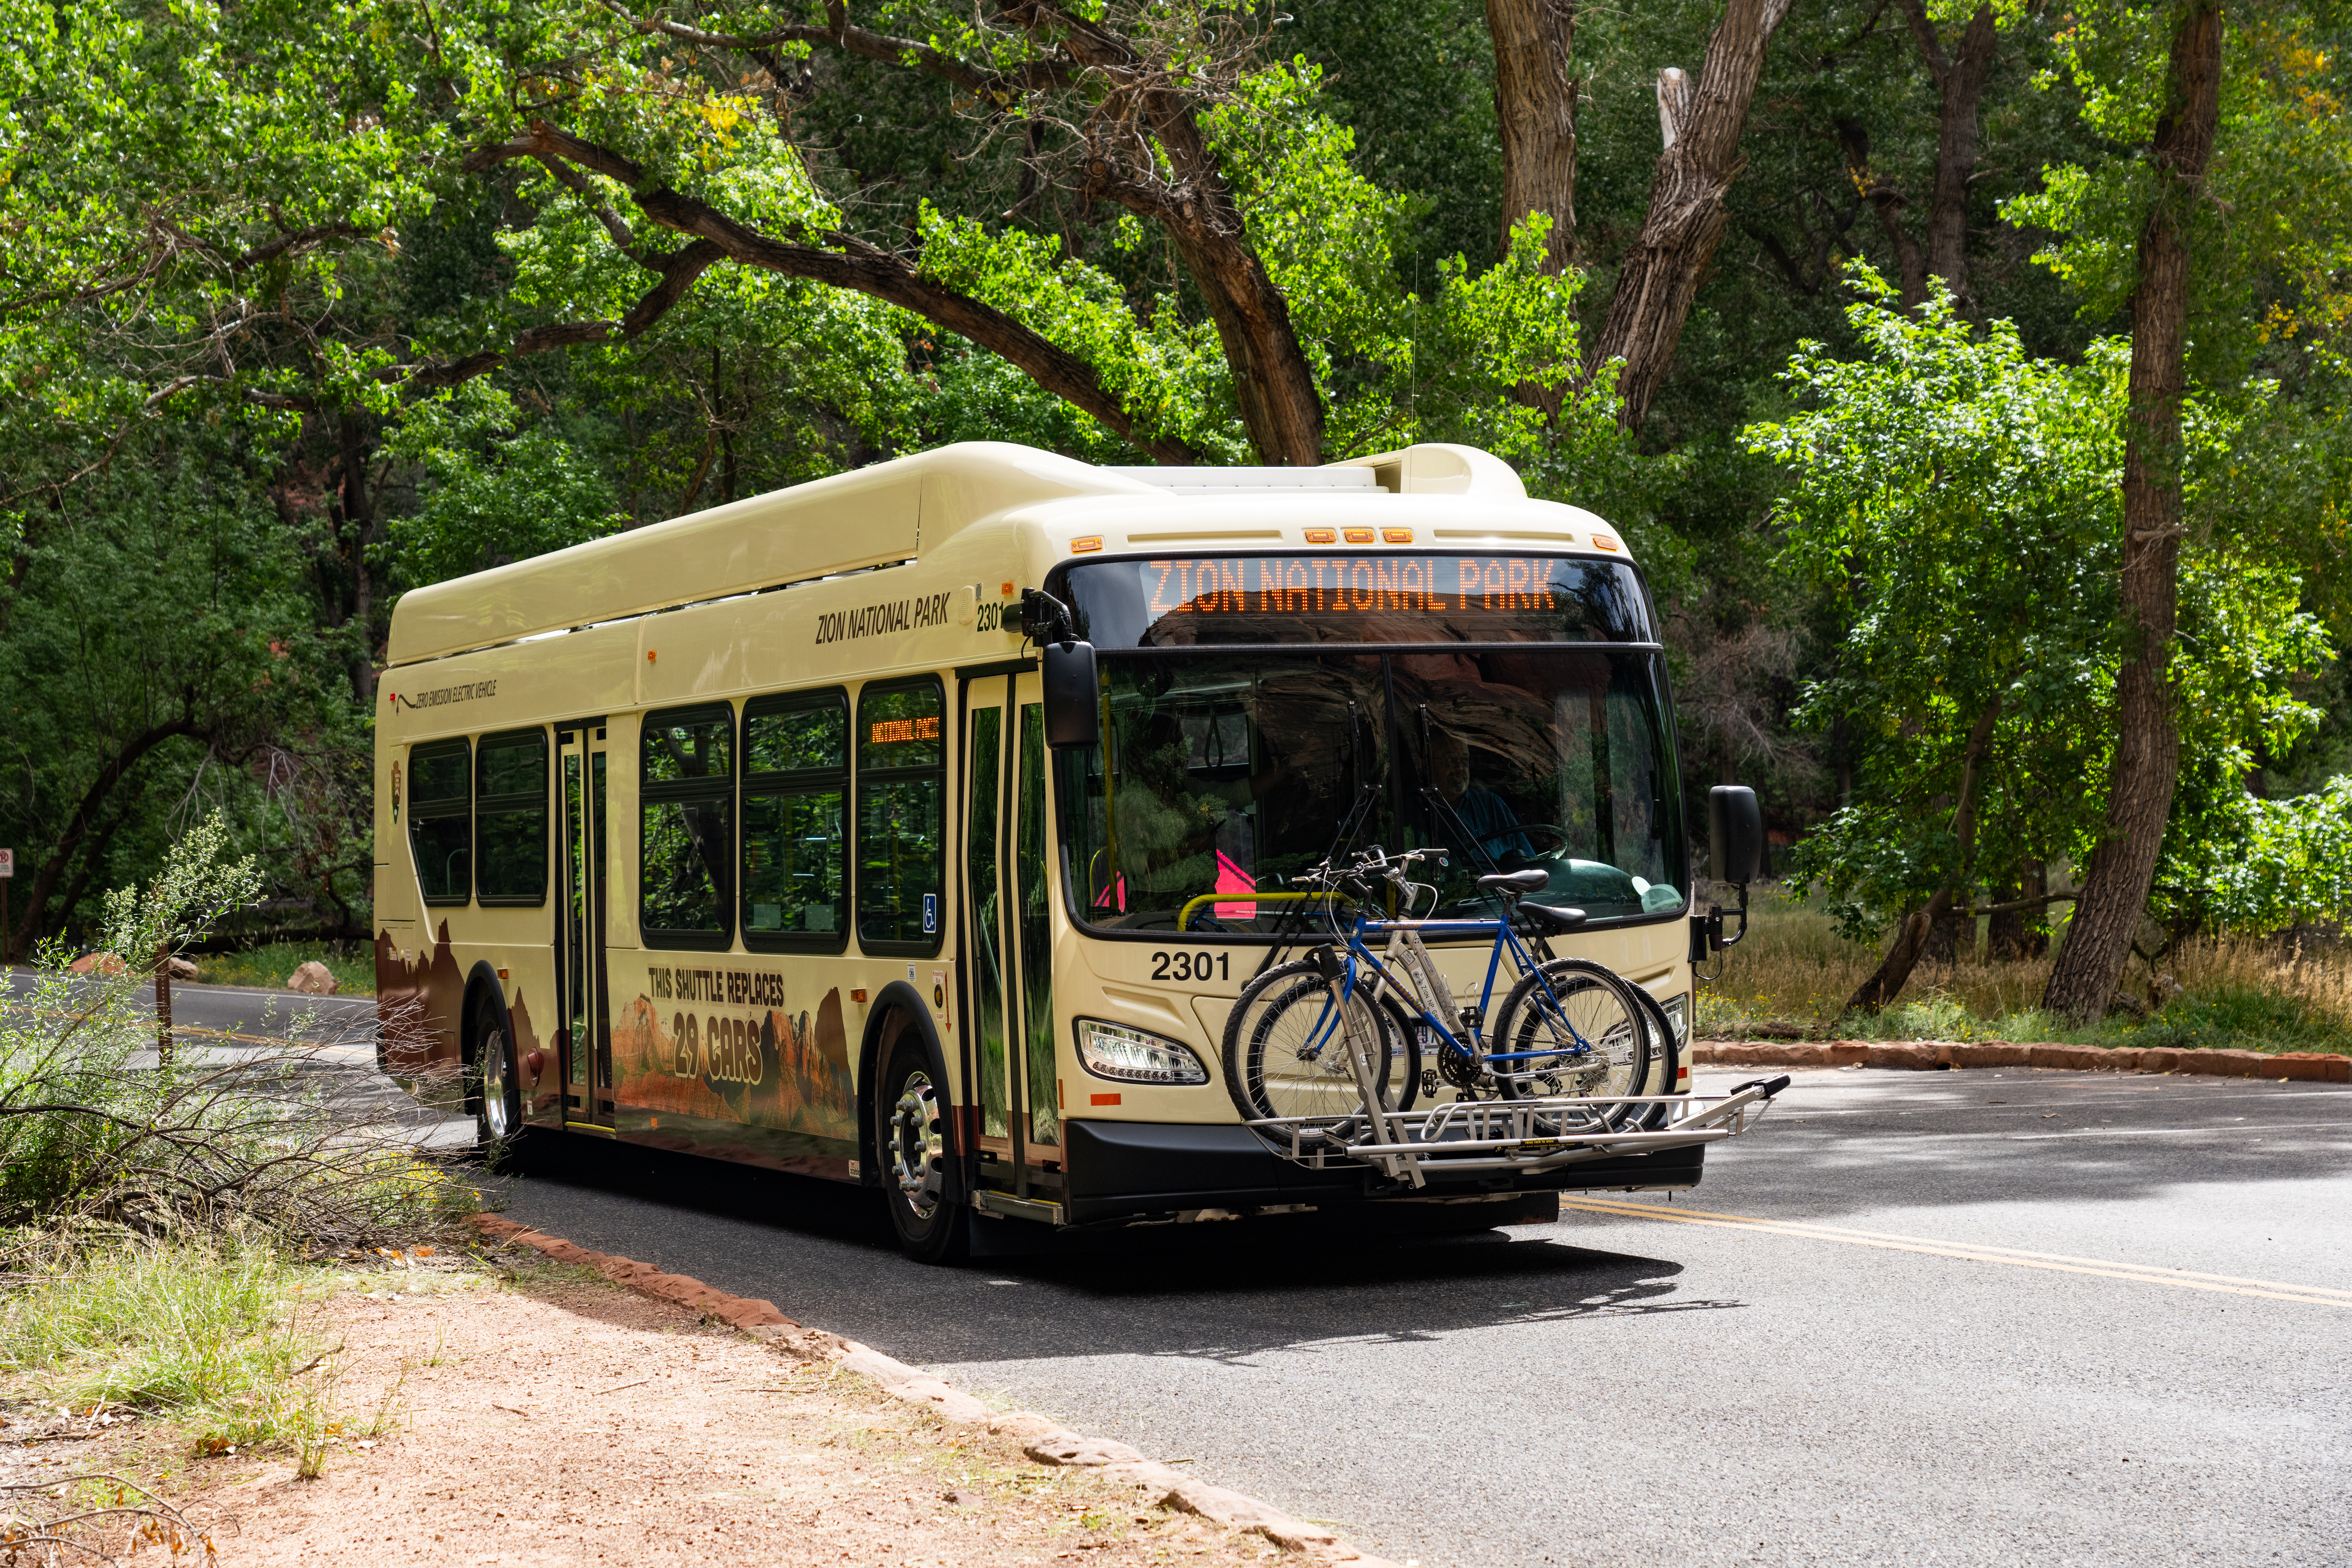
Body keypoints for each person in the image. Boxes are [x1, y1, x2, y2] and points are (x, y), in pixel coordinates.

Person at [1428, 729, 1532, 863]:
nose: (1460, 768)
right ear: (1427, 764)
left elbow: (1531, 863)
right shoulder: (1420, 810)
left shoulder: (1493, 805)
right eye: (1451, 761)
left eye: (1465, 761)